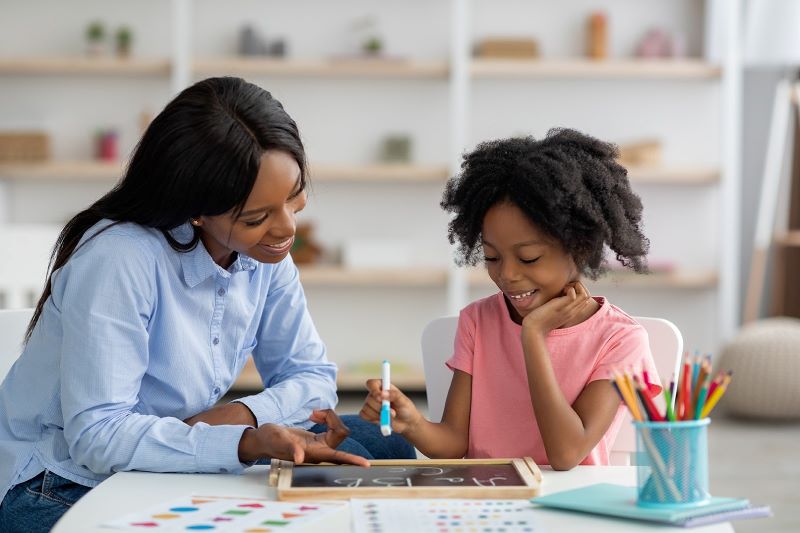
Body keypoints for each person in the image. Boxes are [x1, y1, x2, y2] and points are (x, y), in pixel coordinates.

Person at [0, 76, 412, 533]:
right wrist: (243, 443)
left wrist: (238, 417)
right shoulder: (120, 260)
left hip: (168, 449)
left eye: (294, 198)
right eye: (256, 217)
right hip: (60, 483)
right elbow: (99, 438)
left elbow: (313, 380)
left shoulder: (264, 253)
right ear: (195, 208)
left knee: (383, 445)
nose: (286, 229)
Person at [361, 128, 660, 470]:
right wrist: (412, 423)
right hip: (487, 500)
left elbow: (565, 454)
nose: (508, 275)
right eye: (492, 257)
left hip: (566, 507)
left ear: (579, 247)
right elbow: (453, 443)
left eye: (529, 257)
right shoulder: (478, 320)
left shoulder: (620, 340)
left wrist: (533, 336)